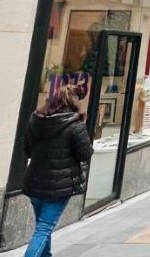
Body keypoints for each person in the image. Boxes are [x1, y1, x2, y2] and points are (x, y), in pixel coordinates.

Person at [22, 84, 94, 257]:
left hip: (34, 181)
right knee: (44, 228)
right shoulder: (75, 124)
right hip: (59, 185)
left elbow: (27, 148)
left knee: (42, 226)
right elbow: (85, 153)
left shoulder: (36, 119)